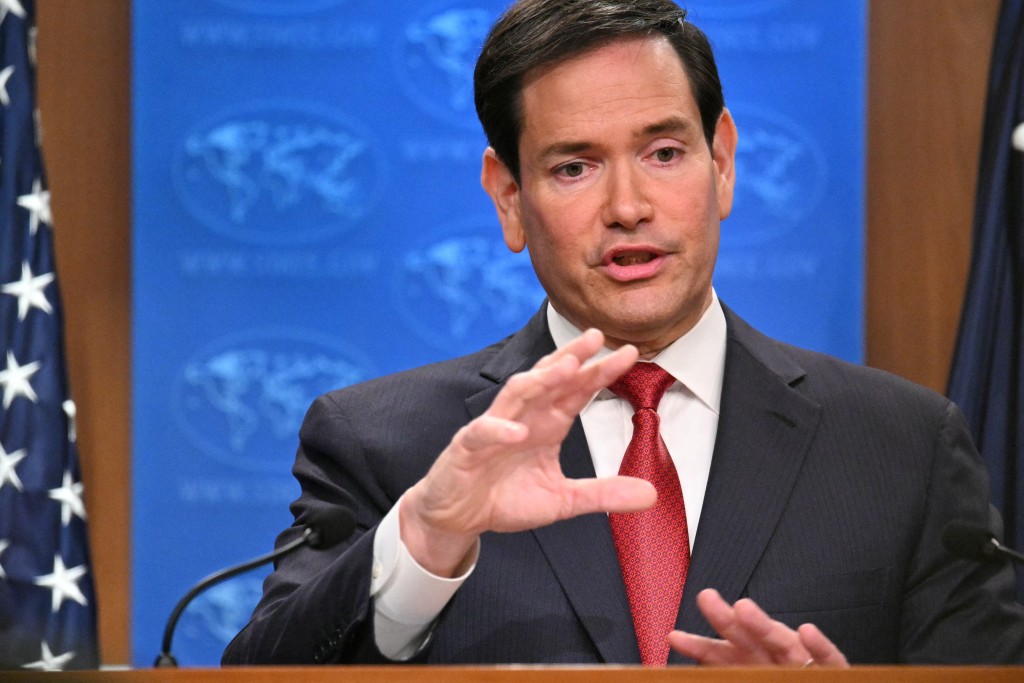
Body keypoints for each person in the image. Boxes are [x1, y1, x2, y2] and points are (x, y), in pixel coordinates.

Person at [222, 0, 1024, 667]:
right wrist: (426, 538)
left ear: (723, 162)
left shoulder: (901, 448)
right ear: (508, 197)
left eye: (664, 152)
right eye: (574, 167)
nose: (629, 207)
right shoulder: (387, 445)